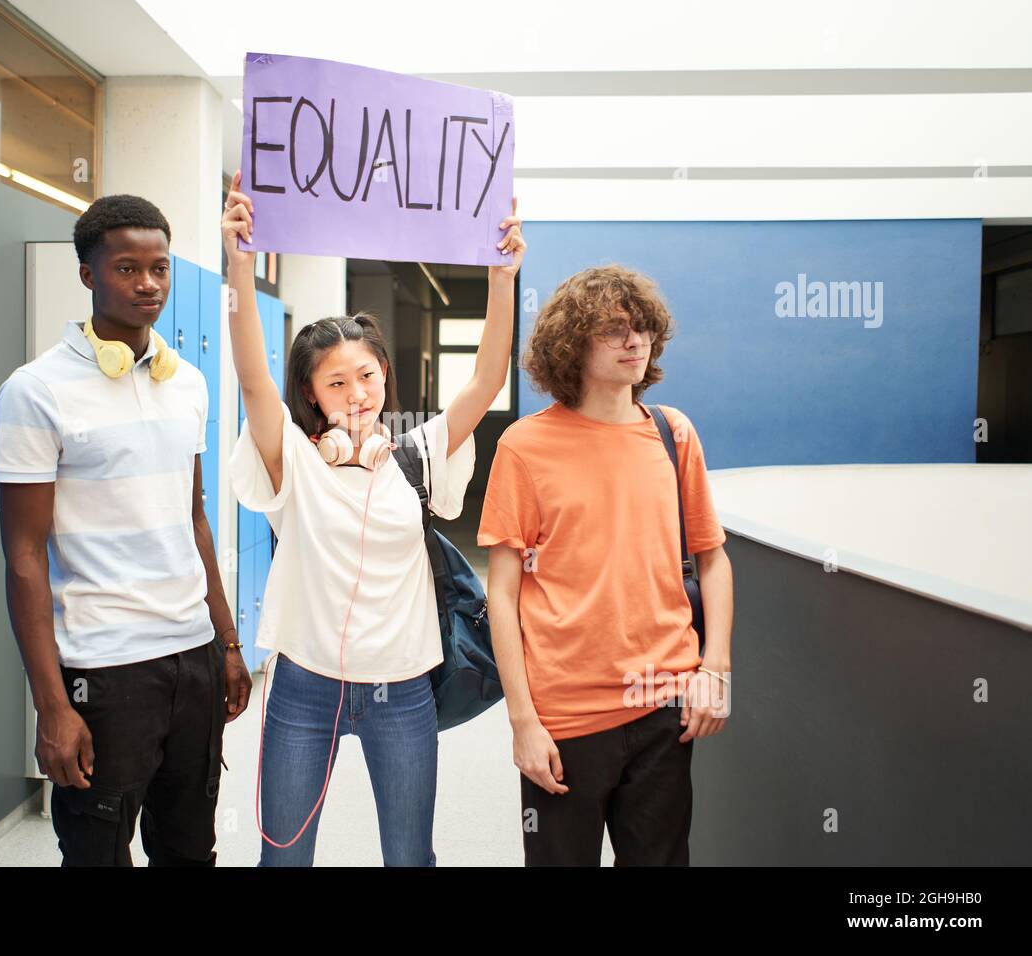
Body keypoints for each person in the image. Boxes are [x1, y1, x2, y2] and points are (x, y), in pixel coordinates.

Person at [221, 170, 524, 866]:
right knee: (284, 858)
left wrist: (503, 277)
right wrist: (239, 262)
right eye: (336, 382)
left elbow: (483, 381)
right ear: (312, 393)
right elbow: (251, 379)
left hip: (403, 690)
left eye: (367, 375)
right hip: (303, 688)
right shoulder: (291, 462)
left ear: (384, 374)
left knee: (411, 858)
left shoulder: (415, 456)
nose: (356, 394)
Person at [0, 194, 251, 866]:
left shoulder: (187, 383)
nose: (147, 284)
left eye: (160, 268)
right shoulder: (35, 390)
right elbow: (23, 557)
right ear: (88, 276)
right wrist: (51, 707)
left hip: (191, 658)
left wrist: (225, 642)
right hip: (103, 670)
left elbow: (192, 515)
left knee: (191, 849)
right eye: (127, 268)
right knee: (97, 853)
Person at [479, 264, 734, 866]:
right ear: (572, 345)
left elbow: (713, 559)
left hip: (664, 705)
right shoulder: (523, 446)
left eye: (642, 329)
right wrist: (522, 722)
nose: (634, 342)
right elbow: (502, 594)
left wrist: (715, 669)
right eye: (614, 330)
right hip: (567, 715)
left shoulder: (674, 434)